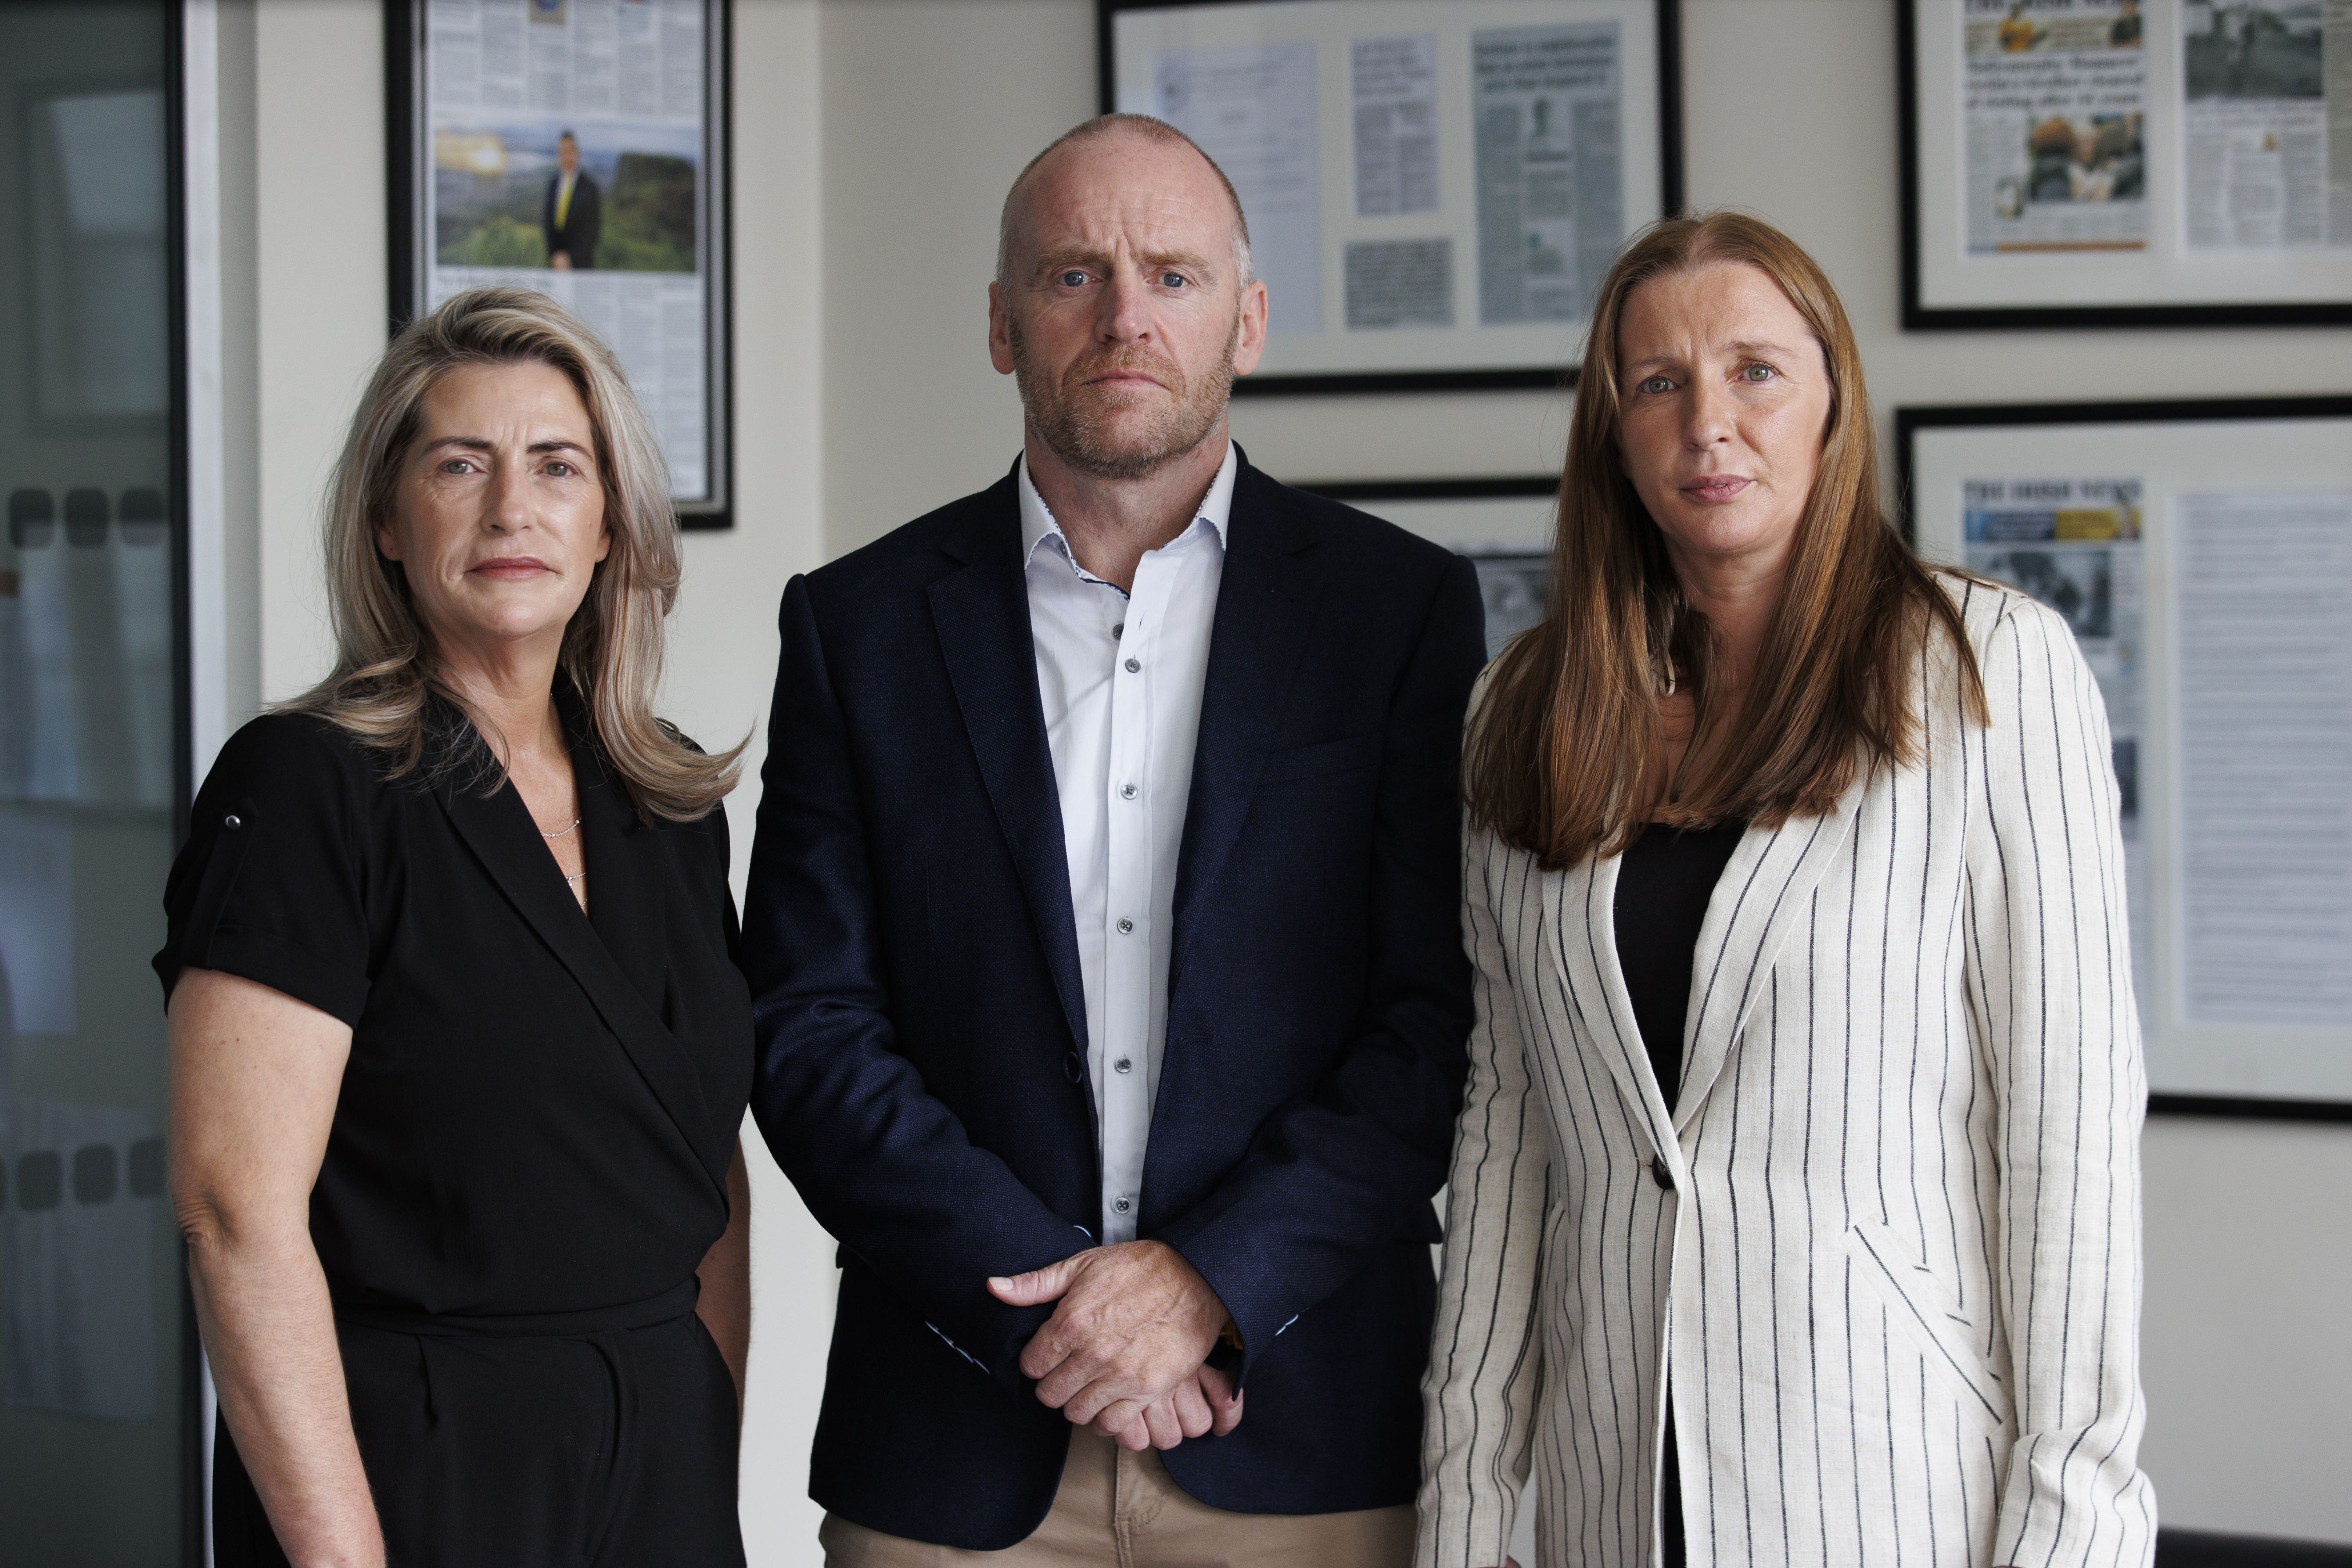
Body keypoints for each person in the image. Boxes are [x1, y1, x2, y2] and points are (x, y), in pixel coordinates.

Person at [745, 113, 1486, 1565]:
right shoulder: (858, 626)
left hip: (1300, 1436)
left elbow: (1434, 1015)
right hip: (955, 1446)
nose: (1124, 315)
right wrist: (1054, 1304)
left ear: (1248, 320)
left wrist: (1207, 1282)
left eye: (1171, 274)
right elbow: (805, 1019)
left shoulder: (1393, 615)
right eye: (1072, 275)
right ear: (1000, 325)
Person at [1417, 212, 2154, 1568]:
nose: (1709, 423)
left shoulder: (1992, 671)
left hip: (1892, 1482)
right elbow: (1505, 1133)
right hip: (1612, 1491)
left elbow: (2067, 1136)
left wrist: (2073, 1527)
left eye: (1754, 370)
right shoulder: (1517, 716)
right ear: (1613, 434)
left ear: (1829, 401)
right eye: (1658, 383)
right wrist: (1461, 1511)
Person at [160, 287, 753, 1567]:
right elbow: (232, 1210)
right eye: (458, 466)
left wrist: (705, 1451)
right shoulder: (309, 786)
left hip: (662, 1462)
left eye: (556, 466)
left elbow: (710, 1185)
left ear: (612, 525)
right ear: (385, 519)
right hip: (410, 1458)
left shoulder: (669, 801)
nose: (510, 509)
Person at [544, 130, 601, 270]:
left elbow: (592, 230)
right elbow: (548, 223)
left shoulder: (589, 187)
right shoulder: (554, 184)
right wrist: (555, 256)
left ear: (577, 153)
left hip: (581, 265)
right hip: (556, 265)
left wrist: (570, 258)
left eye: (570, 151)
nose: (566, 156)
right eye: (562, 152)